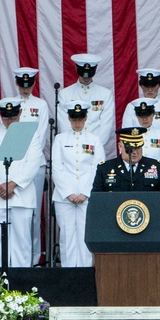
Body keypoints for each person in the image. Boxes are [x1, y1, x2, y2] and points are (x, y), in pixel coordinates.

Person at [0, 97, 43, 267]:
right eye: (6, 117)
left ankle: (22, 284)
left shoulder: (30, 134)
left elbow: (33, 163)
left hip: (21, 195)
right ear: (0, 115)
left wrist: (13, 184)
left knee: (22, 242)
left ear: (20, 113)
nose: (10, 121)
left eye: (13, 117)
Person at [51, 102, 99, 267]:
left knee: (86, 236)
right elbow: (56, 168)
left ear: (86, 118)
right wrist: (68, 192)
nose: (77, 122)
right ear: (69, 118)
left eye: (80, 118)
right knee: (67, 236)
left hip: (87, 196)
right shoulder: (60, 139)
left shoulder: (94, 139)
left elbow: (97, 167)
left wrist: (85, 192)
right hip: (65, 197)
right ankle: (69, 272)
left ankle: (85, 273)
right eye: (74, 118)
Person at [12, 67, 49, 263]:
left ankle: (34, 257)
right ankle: (16, 257)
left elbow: (40, 137)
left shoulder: (41, 105)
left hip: (35, 164)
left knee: (33, 212)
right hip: (13, 164)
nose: (25, 89)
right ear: (17, 84)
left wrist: (27, 159)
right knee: (16, 212)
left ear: (34, 84)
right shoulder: (10, 104)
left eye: (29, 85)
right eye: (22, 85)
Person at [58, 52, 115, 152]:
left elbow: (106, 125)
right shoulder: (65, 94)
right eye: (83, 73)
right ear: (76, 69)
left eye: (89, 74)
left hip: (96, 148)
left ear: (95, 70)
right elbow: (64, 124)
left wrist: (95, 145)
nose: (86, 77)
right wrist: (73, 144)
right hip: (70, 149)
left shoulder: (105, 94)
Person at [92, 126, 160, 191]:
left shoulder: (156, 167)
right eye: (130, 149)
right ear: (120, 146)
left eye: (138, 147)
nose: (135, 152)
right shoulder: (105, 168)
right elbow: (97, 201)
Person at [122, 67, 160, 152]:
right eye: (146, 85)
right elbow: (127, 134)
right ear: (141, 85)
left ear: (159, 85)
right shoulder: (131, 107)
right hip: (138, 158)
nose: (150, 89)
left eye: (153, 85)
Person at [130, 99, 160, 190]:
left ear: (153, 114)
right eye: (141, 115)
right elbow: (127, 158)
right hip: (136, 179)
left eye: (148, 115)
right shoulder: (129, 136)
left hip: (159, 179)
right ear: (136, 116)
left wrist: (154, 175)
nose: (145, 119)